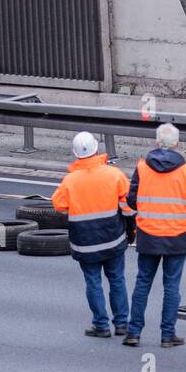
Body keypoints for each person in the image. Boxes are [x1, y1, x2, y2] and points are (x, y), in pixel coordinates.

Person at [124, 122, 186, 348]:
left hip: (148, 233)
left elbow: (131, 199)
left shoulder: (143, 167)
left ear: (157, 142)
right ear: (177, 144)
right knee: (172, 287)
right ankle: (167, 335)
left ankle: (133, 332)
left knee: (143, 283)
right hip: (176, 236)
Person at [52, 131, 133, 338]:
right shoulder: (114, 175)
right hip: (113, 238)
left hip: (85, 242)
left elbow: (59, 205)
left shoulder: (70, 180)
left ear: (76, 154)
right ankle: (122, 324)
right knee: (117, 279)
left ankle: (101, 325)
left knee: (93, 282)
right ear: (97, 149)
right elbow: (128, 207)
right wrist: (130, 231)